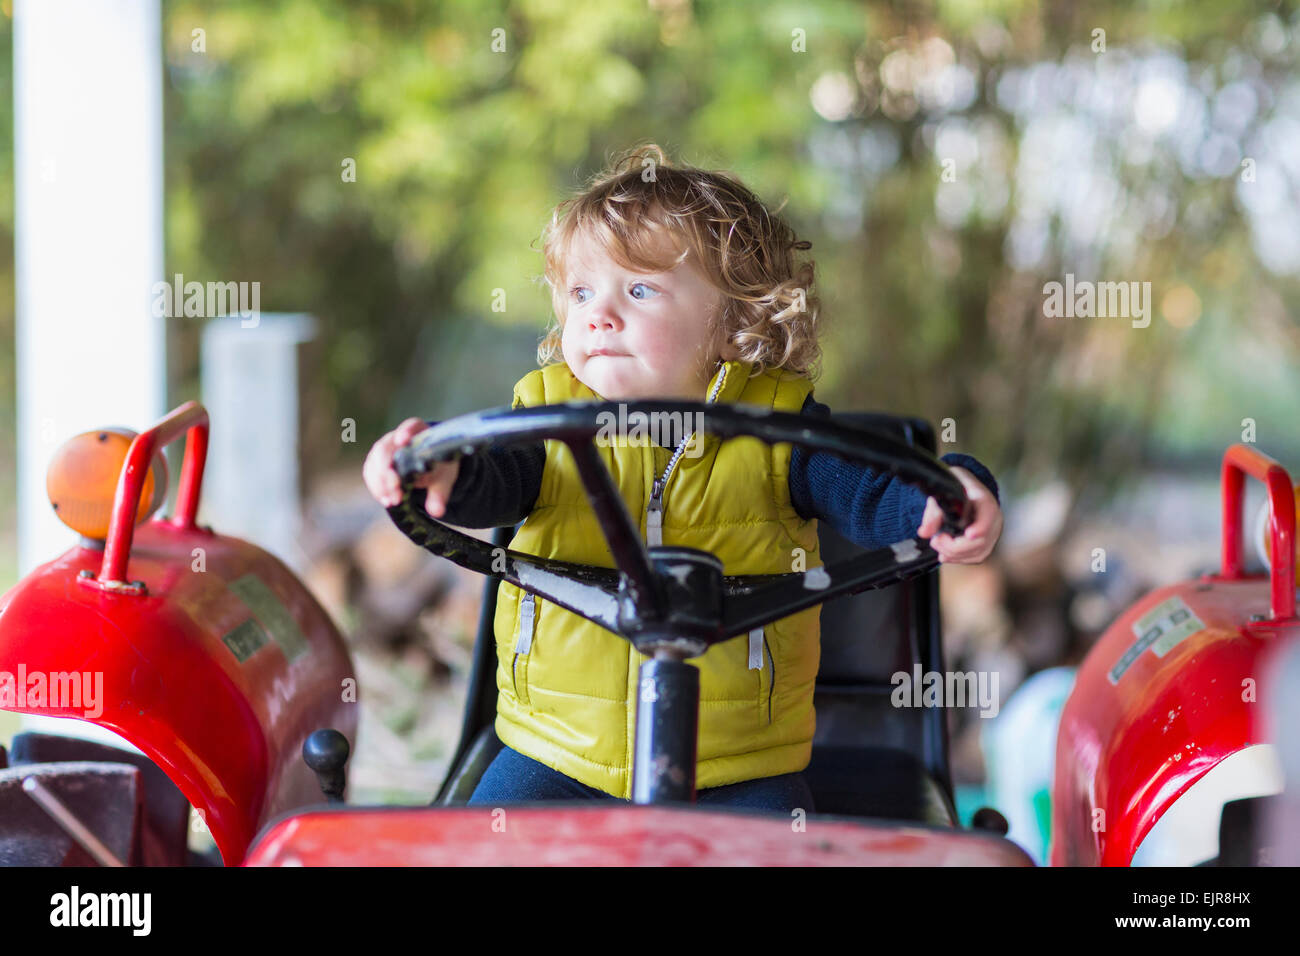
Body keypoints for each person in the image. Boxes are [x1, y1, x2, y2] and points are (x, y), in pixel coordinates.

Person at [363, 143, 1004, 813]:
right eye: (582, 291)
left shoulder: (783, 432)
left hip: (737, 766)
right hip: (553, 750)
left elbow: (879, 494)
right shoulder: (544, 420)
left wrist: (946, 493)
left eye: (639, 289)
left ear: (735, 321)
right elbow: (488, 479)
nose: (598, 314)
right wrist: (441, 464)